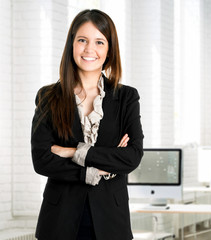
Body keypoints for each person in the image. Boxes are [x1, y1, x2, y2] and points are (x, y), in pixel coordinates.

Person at [31, 9, 144, 240]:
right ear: (72, 44)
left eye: (99, 42)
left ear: (109, 50)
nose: (89, 49)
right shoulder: (49, 96)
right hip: (59, 220)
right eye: (82, 40)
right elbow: (42, 160)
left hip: (111, 220)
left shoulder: (126, 98)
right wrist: (95, 170)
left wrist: (73, 151)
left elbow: (131, 157)